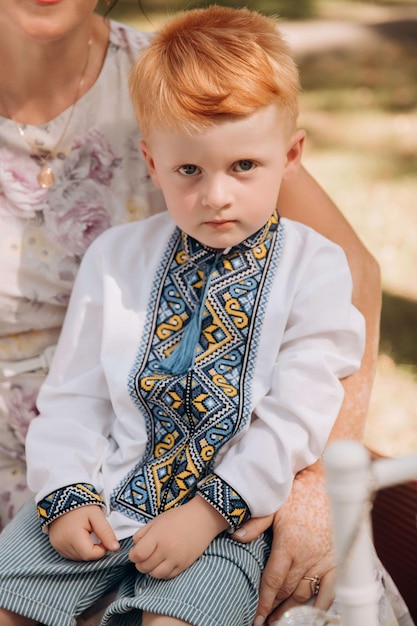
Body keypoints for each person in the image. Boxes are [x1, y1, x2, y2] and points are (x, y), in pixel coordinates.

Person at [0, 0, 386, 624]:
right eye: (188, 170)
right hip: (103, 488)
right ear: (152, 164)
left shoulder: (313, 268)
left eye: (244, 167)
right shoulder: (117, 259)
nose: (216, 196)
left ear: (290, 157)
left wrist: (208, 513)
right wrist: (66, 496)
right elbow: (75, 396)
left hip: (229, 521)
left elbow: (298, 413)